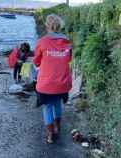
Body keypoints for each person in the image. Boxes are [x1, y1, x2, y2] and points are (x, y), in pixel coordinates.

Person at [33, 14, 72, 144]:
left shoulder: (42, 42)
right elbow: (69, 59)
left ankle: (50, 134)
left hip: (46, 84)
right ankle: (58, 127)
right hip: (62, 82)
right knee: (57, 103)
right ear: (59, 26)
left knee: (47, 106)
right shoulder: (67, 42)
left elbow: (36, 61)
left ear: (47, 26)